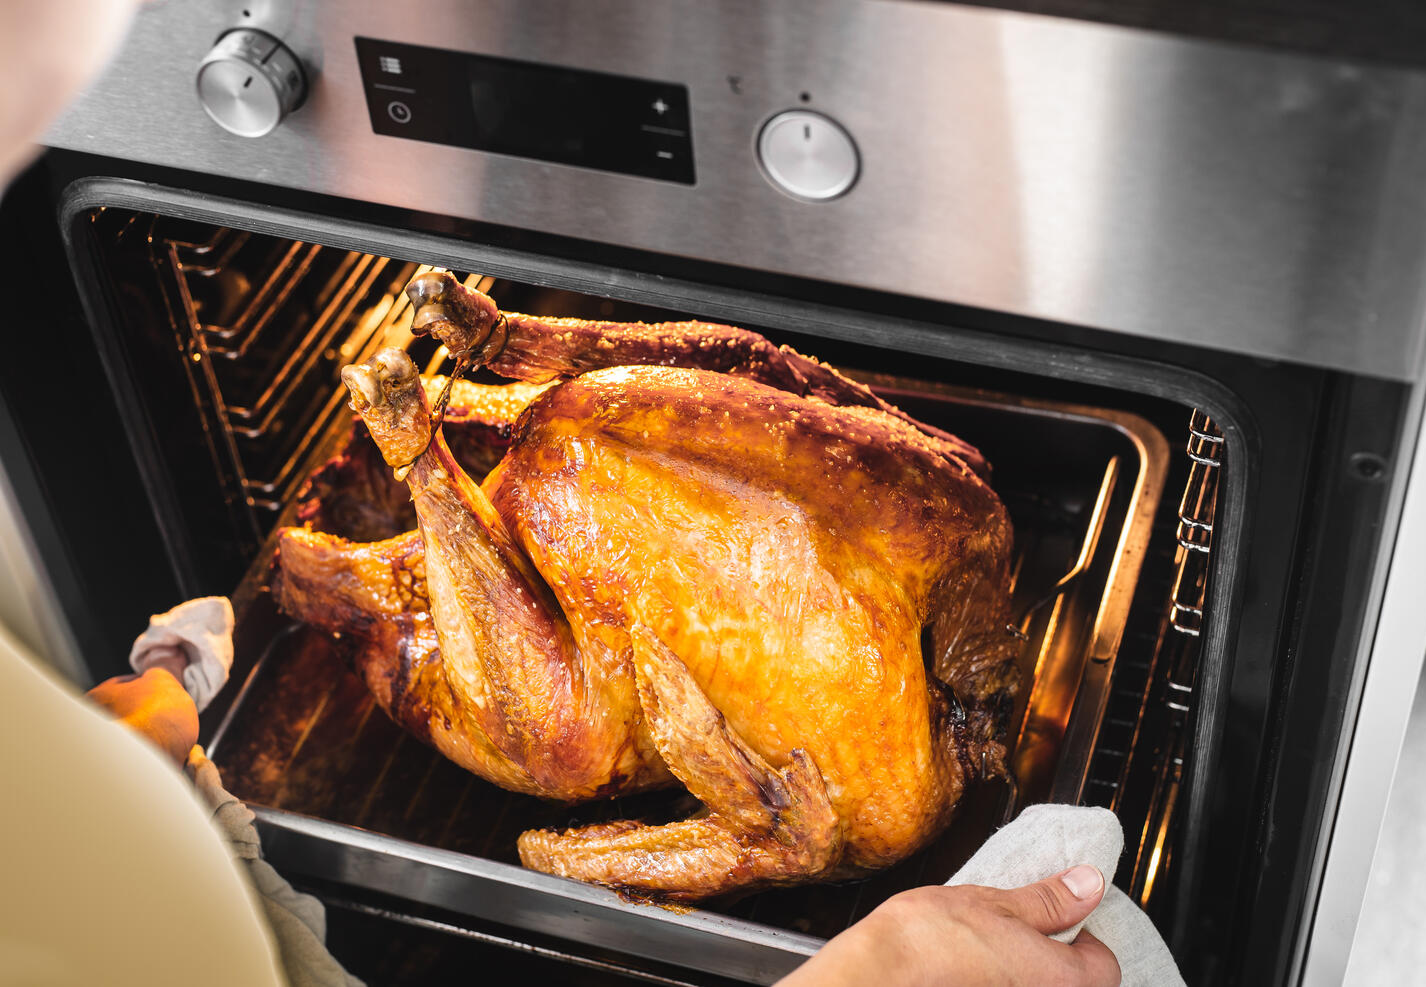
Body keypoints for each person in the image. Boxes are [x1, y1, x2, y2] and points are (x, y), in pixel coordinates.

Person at [0, 2, 1121, 984]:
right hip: (630, 519)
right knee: (594, 743)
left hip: (629, 534)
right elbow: (768, 373)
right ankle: (432, 454)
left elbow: (770, 374)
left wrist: (129, 802)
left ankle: (435, 452)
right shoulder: (890, 799)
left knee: (580, 744)